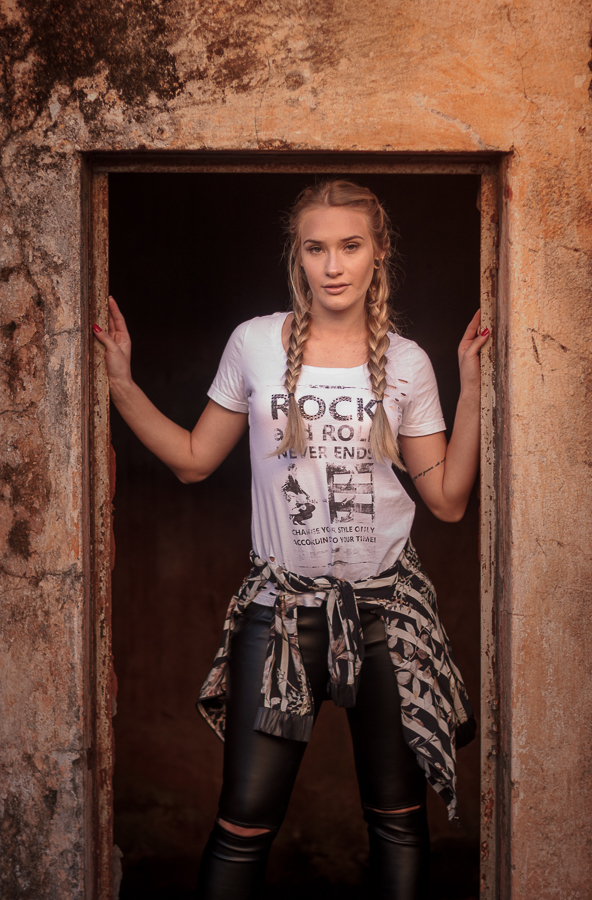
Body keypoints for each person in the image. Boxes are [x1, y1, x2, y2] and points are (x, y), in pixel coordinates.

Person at [93, 179, 489, 900]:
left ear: (378, 254)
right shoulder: (254, 343)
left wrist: (472, 385)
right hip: (280, 615)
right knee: (243, 827)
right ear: (297, 256)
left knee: (399, 824)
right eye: (316, 248)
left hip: (385, 618)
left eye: (350, 246)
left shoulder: (408, 362)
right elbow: (192, 460)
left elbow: (450, 500)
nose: (333, 265)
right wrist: (121, 384)